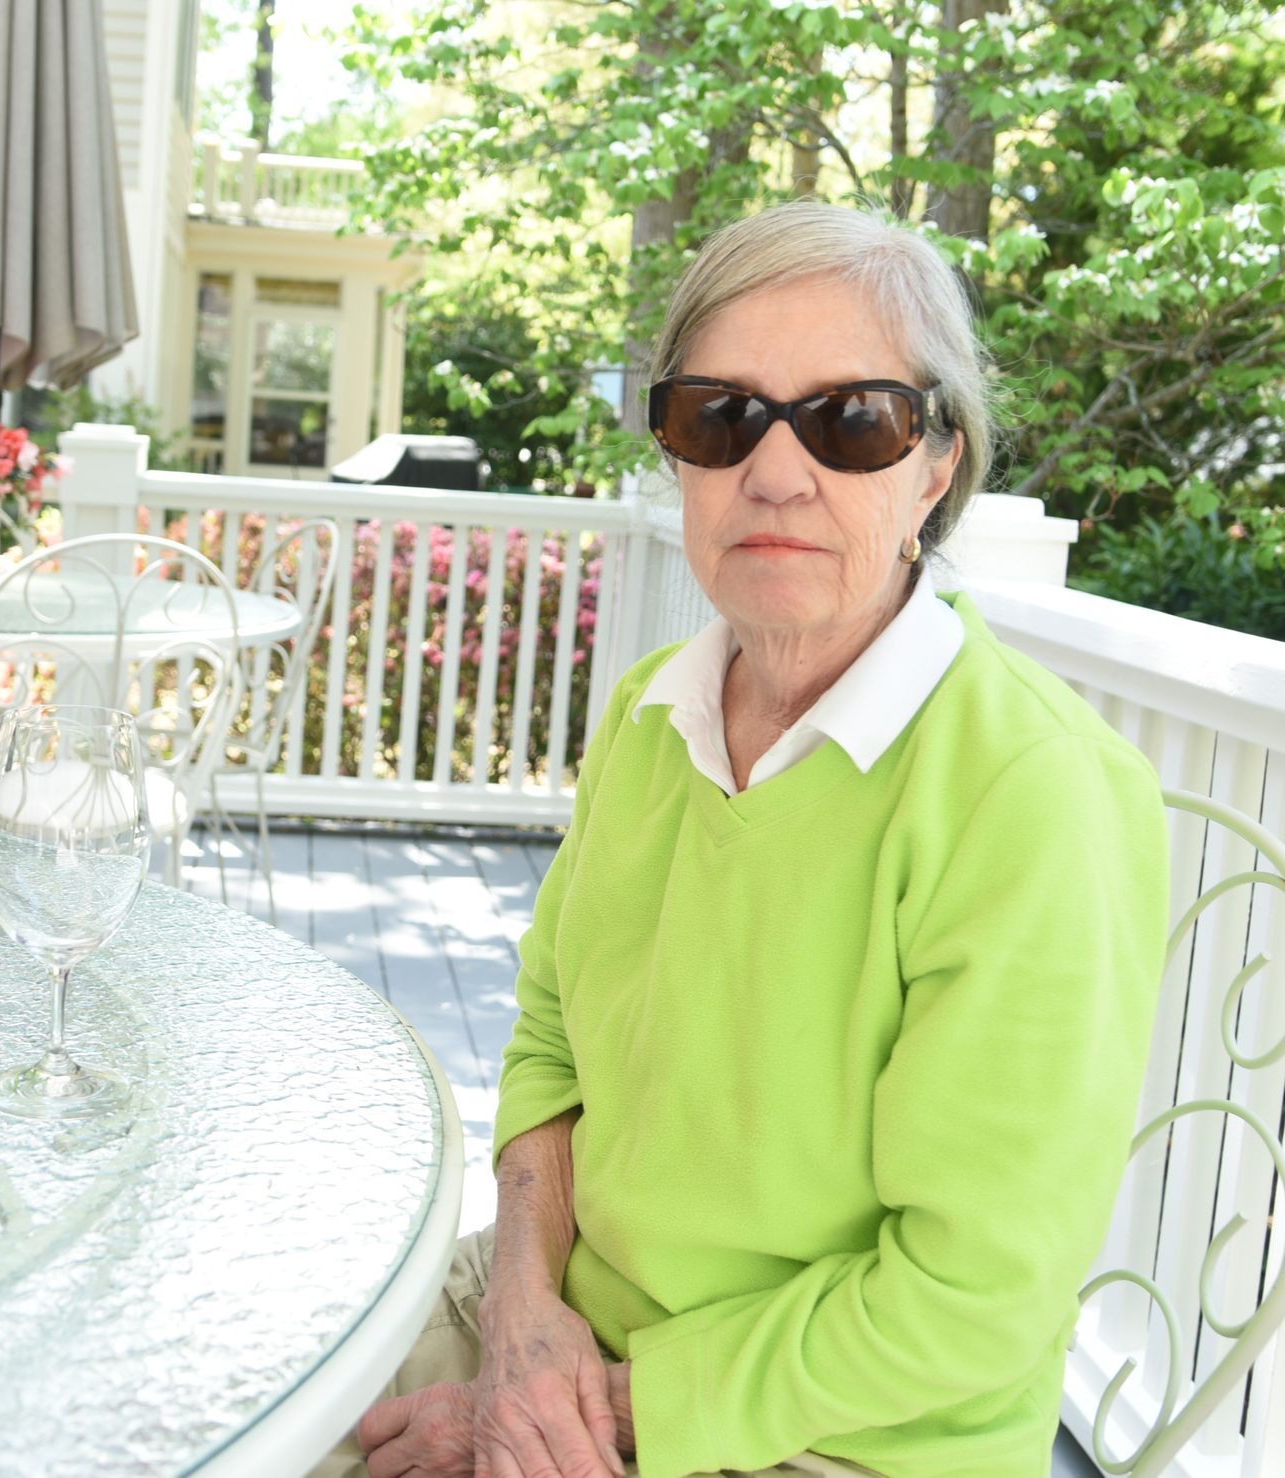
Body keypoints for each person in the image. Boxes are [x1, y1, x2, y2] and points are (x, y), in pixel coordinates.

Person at [327, 201, 1169, 1478]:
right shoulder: (654, 708)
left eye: (853, 419)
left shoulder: (1031, 794)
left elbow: (969, 1295)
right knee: (225, 1399)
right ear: (676, 452)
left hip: (835, 1433)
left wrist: (590, 1412)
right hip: (559, 1316)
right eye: (721, 415)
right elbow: (555, 1037)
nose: (775, 472)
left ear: (936, 464)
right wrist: (518, 1315)